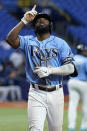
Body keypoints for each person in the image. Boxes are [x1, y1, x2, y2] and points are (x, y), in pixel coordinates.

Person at [6, 5, 77, 131]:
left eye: (44, 20)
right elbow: (10, 39)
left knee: (55, 129)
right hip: (36, 92)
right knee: (34, 129)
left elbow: (71, 68)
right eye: (38, 21)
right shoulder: (28, 41)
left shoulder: (60, 43)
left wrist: (51, 70)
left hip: (56, 92)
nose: (40, 21)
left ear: (50, 25)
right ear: (34, 26)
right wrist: (24, 20)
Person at [68, 44, 87, 131]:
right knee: (85, 105)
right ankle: (84, 127)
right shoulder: (85, 60)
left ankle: (71, 127)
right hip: (83, 83)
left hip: (72, 82)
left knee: (72, 105)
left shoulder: (72, 59)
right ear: (82, 51)